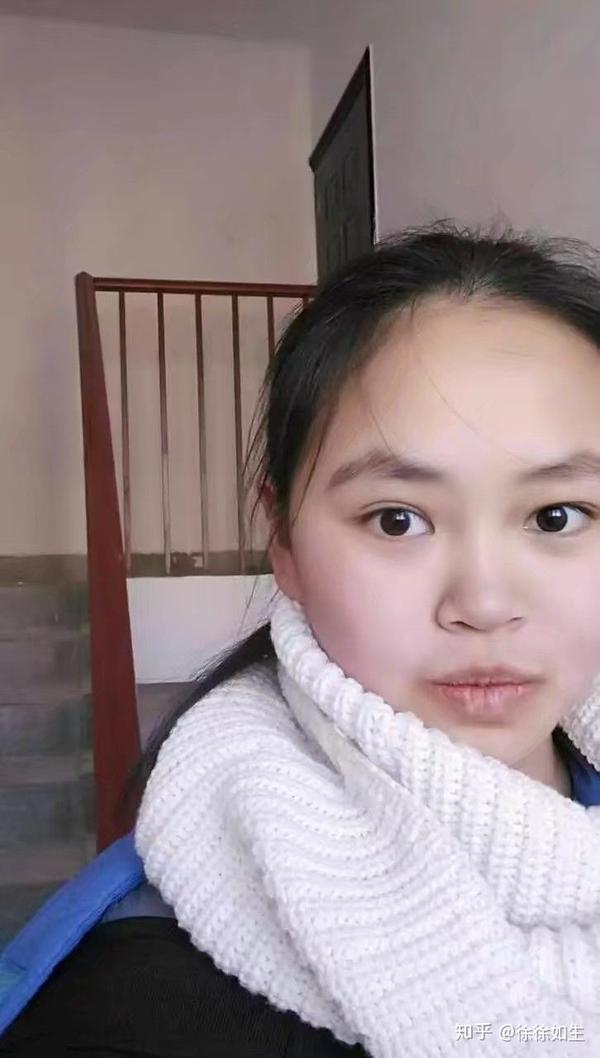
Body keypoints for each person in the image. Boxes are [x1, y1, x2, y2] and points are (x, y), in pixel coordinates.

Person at [3, 221, 600, 1058]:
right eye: (397, 520)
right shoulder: (141, 1000)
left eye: (557, 516)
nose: (485, 604)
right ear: (282, 538)